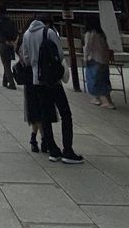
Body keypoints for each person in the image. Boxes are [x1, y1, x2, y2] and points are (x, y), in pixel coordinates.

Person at [19, 13, 82, 164]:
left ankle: (53, 150)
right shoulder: (49, 32)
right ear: (47, 23)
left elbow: (26, 58)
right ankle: (68, 150)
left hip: (36, 79)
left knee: (44, 114)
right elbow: (59, 55)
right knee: (65, 113)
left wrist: (36, 65)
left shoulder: (27, 34)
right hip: (52, 80)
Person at [83, 22, 116, 109]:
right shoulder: (101, 34)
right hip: (104, 59)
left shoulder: (90, 34)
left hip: (94, 58)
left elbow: (87, 46)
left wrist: (85, 57)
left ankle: (103, 100)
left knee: (94, 80)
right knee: (104, 80)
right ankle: (106, 100)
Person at [0, 7, 19, 89]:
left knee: (6, 64)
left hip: (3, 43)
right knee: (7, 62)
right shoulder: (11, 20)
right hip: (11, 42)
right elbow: (15, 31)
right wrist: (13, 40)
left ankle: (11, 83)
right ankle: (4, 81)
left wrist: (4, 41)